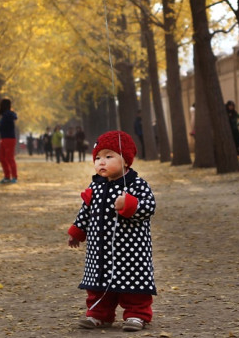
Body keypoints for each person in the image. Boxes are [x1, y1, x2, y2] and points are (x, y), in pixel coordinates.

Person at [68, 130, 156, 332]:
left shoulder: (136, 184)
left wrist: (130, 205)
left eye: (109, 157)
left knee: (133, 284)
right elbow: (86, 211)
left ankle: (136, 314)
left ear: (126, 160)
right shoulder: (96, 187)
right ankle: (99, 314)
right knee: (98, 286)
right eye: (98, 158)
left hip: (131, 250)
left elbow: (149, 206)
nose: (101, 162)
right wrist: (77, 231)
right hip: (100, 251)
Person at [0, 98, 18, 184]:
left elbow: (3, 127)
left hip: (9, 139)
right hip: (4, 138)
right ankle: (7, 176)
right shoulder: (6, 115)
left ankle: (14, 176)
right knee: (2, 158)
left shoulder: (7, 115)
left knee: (9, 158)